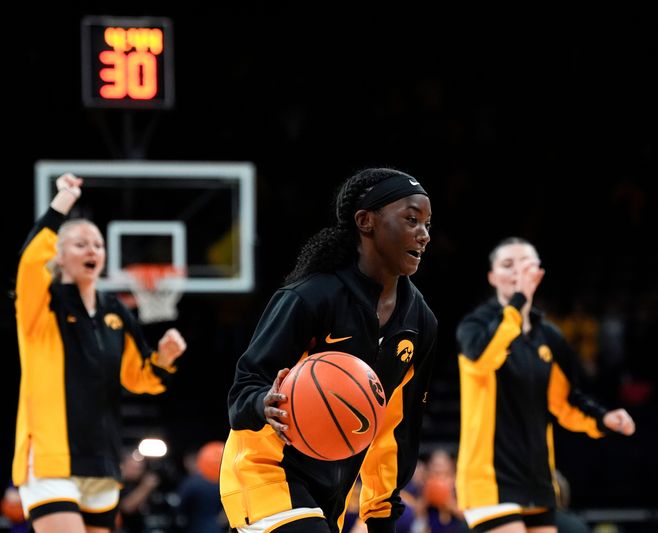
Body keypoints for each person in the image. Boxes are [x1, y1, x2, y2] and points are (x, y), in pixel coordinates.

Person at [220, 168, 437, 532]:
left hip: (330, 497)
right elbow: (244, 389)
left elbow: (394, 430)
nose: (424, 235)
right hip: (266, 474)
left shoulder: (421, 322)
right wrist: (263, 402)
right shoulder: (310, 297)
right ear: (366, 221)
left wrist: (381, 514)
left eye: (428, 224)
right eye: (412, 220)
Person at [12, 173, 187, 533]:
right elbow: (30, 261)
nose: (92, 250)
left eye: (98, 244)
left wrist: (165, 358)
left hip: (103, 462)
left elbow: (140, 379)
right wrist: (64, 201)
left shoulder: (115, 312)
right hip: (50, 460)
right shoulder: (41, 305)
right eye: (80, 244)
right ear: (58, 256)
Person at [455, 237, 635, 533]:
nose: (516, 272)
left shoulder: (549, 336)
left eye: (524, 264)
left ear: (538, 272)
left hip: (537, 477)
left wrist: (603, 418)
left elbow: (565, 401)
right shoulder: (474, 325)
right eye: (507, 264)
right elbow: (482, 360)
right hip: (488, 476)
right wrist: (518, 303)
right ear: (492, 276)